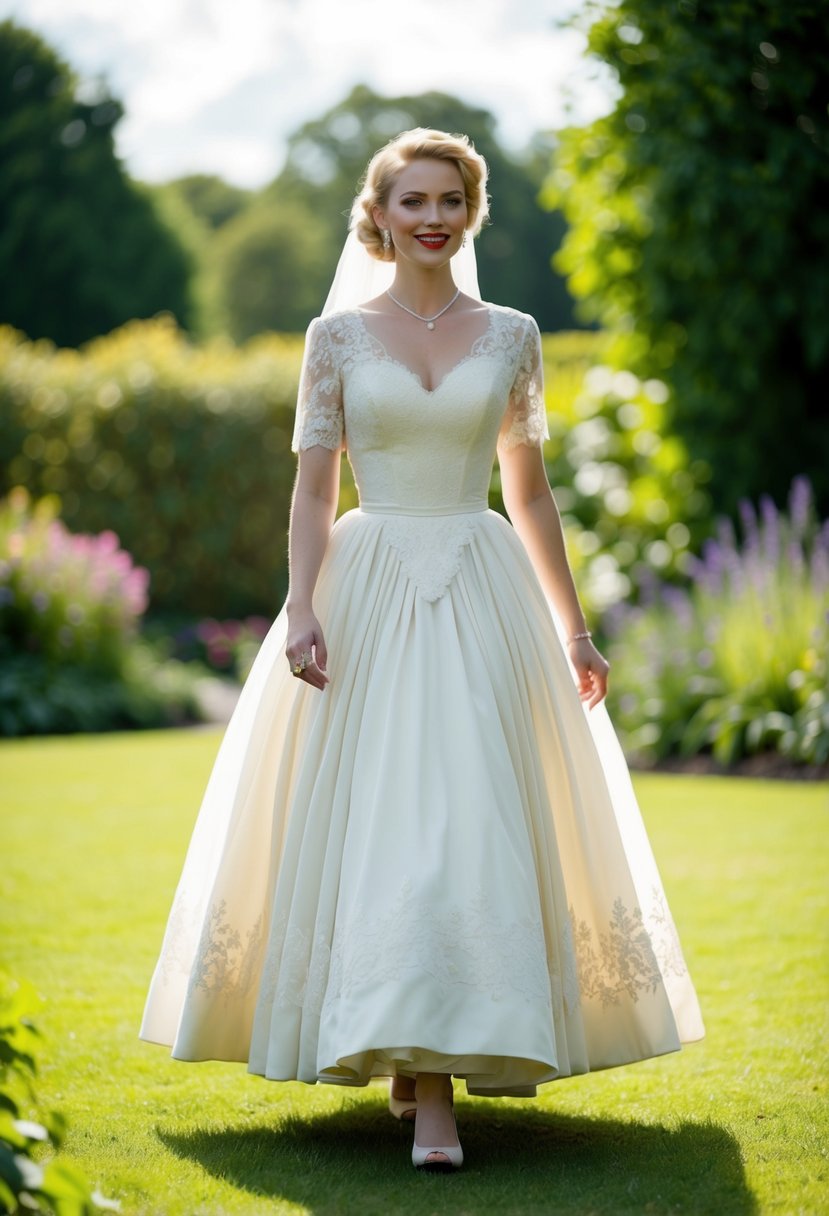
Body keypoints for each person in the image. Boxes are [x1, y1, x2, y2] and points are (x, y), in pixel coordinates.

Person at [140, 128, 704, 1172]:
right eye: (413, 201)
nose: (432, 217)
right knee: (388, 822)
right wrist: (300, 606)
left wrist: (573, 626)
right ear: (380, 214)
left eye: (449, 199)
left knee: (466, 817)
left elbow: (528, 490)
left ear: (470, 211)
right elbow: (314, 487)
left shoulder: (515, 335)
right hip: (367, 592)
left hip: (481, 591)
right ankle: (427, 1089)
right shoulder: (336, 338)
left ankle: (424, 1059)